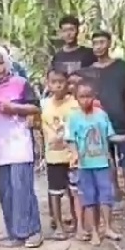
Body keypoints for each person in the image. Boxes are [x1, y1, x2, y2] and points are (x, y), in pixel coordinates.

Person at [0, 47, 43, 248]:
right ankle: (15, 233)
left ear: (7, 63)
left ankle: (32, 231)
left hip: (19, 142)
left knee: (22, 187)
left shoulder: (20, 84)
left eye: (0, 63)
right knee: (6, 190)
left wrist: (15, 108)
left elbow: (35, 107)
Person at [65, 81, 120, 245]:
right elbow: (70, 140)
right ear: (76, 98)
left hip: (102, 162)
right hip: (84, 165)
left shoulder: (101, 115)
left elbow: (110, 136)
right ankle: (94, 231)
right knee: (90, 199)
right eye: (82, 97)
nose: (85, 100)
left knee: (106, 197)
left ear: (94, 96)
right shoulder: (73, 117)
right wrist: (74, 154)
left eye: (89, 96)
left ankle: (108, 227)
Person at [85, 31, 125, 195]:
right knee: (108, 157)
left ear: (109, 44)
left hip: (120, 117)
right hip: (99, 119)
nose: (98, 47)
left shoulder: (121, 66)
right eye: (95, 43)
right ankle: (115, 189)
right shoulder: (89, 71)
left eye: (102, 42)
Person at [39, 68, 80, 240]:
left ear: (67, 83)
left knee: (75, 191)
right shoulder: (43, 104)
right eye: (53, 82)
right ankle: (58, 224)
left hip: (72, 155)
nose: (57, 85)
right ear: (47, 84)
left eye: (61, 82)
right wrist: (41, 152)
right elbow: (39, 129)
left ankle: (79, 224)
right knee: (55, 191)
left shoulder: (74, 103)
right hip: (53, 155)